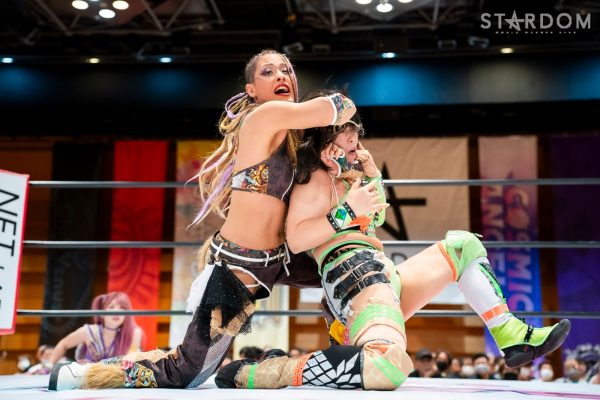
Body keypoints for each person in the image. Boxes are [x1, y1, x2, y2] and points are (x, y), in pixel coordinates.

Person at [48, 50, 357, 391]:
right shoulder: (264, 116)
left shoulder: (290, 139)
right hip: (241, 265)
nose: (282, 75)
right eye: (269, 72)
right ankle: (86, 373)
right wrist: (339, 105)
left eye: (286, 69)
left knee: (347, 270)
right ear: (252, 90)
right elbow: (338, 108)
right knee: (187, 371)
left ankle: (347, 350)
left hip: (280, 258)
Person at [215, 99, 571, 391]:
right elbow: (296, 238)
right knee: (386, 364)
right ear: (326, 142)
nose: (355, 144)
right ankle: (267, 372)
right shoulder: (315, 181)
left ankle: (510, 334)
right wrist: (347, 211)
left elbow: (377, 219)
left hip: (382, 275)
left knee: (463, 247)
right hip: (353, 278)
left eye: (356, 137)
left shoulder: (349, 180)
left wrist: (371, 176)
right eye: (347, 137)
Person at [48, 292, 143, 367]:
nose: (117, 312)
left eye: (122, 308)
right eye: (111, 307)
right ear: (101, 313)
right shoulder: (88, 331)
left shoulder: (133, 334)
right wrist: (49, 366)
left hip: (115, 383)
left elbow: (131, 363)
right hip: (85, 380)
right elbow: (63, 344)